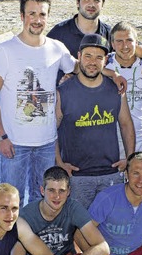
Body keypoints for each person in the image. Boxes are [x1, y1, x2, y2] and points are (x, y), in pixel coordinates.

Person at [0, 0, 77, 206]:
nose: (37, 20)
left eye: (42, 14)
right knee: (10, 201)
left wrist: (114, 70)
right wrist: (1, 137)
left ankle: (34, 239)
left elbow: (81, 68)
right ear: (22, 16)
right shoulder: (5, 51)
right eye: (32, 14)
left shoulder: (57, 48)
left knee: (41, 200)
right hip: (15, 144)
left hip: (46, 143)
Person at [56, 33, 135, 210]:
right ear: (79, 57)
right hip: (77, 177)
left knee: (110, 226)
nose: (92, 62)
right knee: (78, 229)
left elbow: (126, 124)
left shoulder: (115, 89)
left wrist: (129, 159)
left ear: (105, 60)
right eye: (88, 56)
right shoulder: (63, 91)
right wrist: (59, 162)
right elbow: (51, 130)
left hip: (111, 174)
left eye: (98, 57)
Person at [47, 0, 142, 84]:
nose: (91, 4)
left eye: (96, 0)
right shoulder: (59, 32)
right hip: (67, 96)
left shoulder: (109, 33)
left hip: (100, 96)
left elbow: (128, 46)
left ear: (102, 4)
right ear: (77, 3)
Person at [106, 21, 142, 160]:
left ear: (137, 43)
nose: (125, 46)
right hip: (113, 141)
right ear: (112, 44)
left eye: (129, 40)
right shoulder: (105, 65)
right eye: (119, 41)